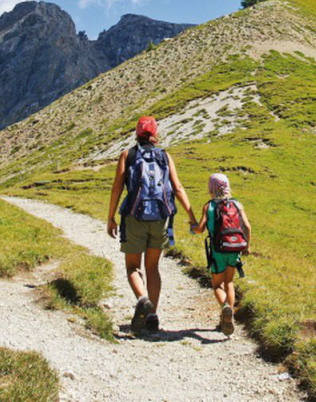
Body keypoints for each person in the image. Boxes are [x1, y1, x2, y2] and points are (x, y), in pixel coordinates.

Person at [106, 115, 198, 335]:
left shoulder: (128, 155)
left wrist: (111, 217)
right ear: (155, 133)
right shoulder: (164, 155)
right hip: (160, 218)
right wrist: (192, 217)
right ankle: (152, 316)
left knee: (133, 267)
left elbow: (117, 187)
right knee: (153, 267)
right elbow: (177, 187)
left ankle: (142, 299)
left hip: (134, 217)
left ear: (137, 133)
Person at [192, 172, 251, 336]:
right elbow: (247, 226)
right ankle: (228, 315)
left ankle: (225, 307)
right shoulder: (237, 204)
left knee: (217, 284)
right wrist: (247, 247)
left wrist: (193, 228)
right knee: (229, 282)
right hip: (235, 248)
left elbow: (200, 229)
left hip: (218, 249)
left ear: (211, 188)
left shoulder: (209, 206)